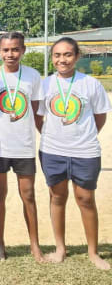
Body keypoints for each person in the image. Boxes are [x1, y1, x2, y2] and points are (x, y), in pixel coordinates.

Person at [37, 37, 111, 270]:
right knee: (57, 198)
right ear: (52, 58)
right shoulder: (46, 84)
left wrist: (84, 136)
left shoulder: (91, 84)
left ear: (77, 57)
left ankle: (93, 252)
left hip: (85, 151)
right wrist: (52, 137)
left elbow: (100, 116)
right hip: (52, 151)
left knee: (85, 199)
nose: (62, 59)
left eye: (67, 54)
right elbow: (39, 117)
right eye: (57, 55)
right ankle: (60, 248)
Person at [0, 31, 44, 262]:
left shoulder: (33, 76)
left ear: (23, 50)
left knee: (28, 195)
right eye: (6, 50)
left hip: (24, 147)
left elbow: (37, 113)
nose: (11, 54)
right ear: (0, 51)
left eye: (15, 49)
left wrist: (46, 136)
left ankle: (35, 246)